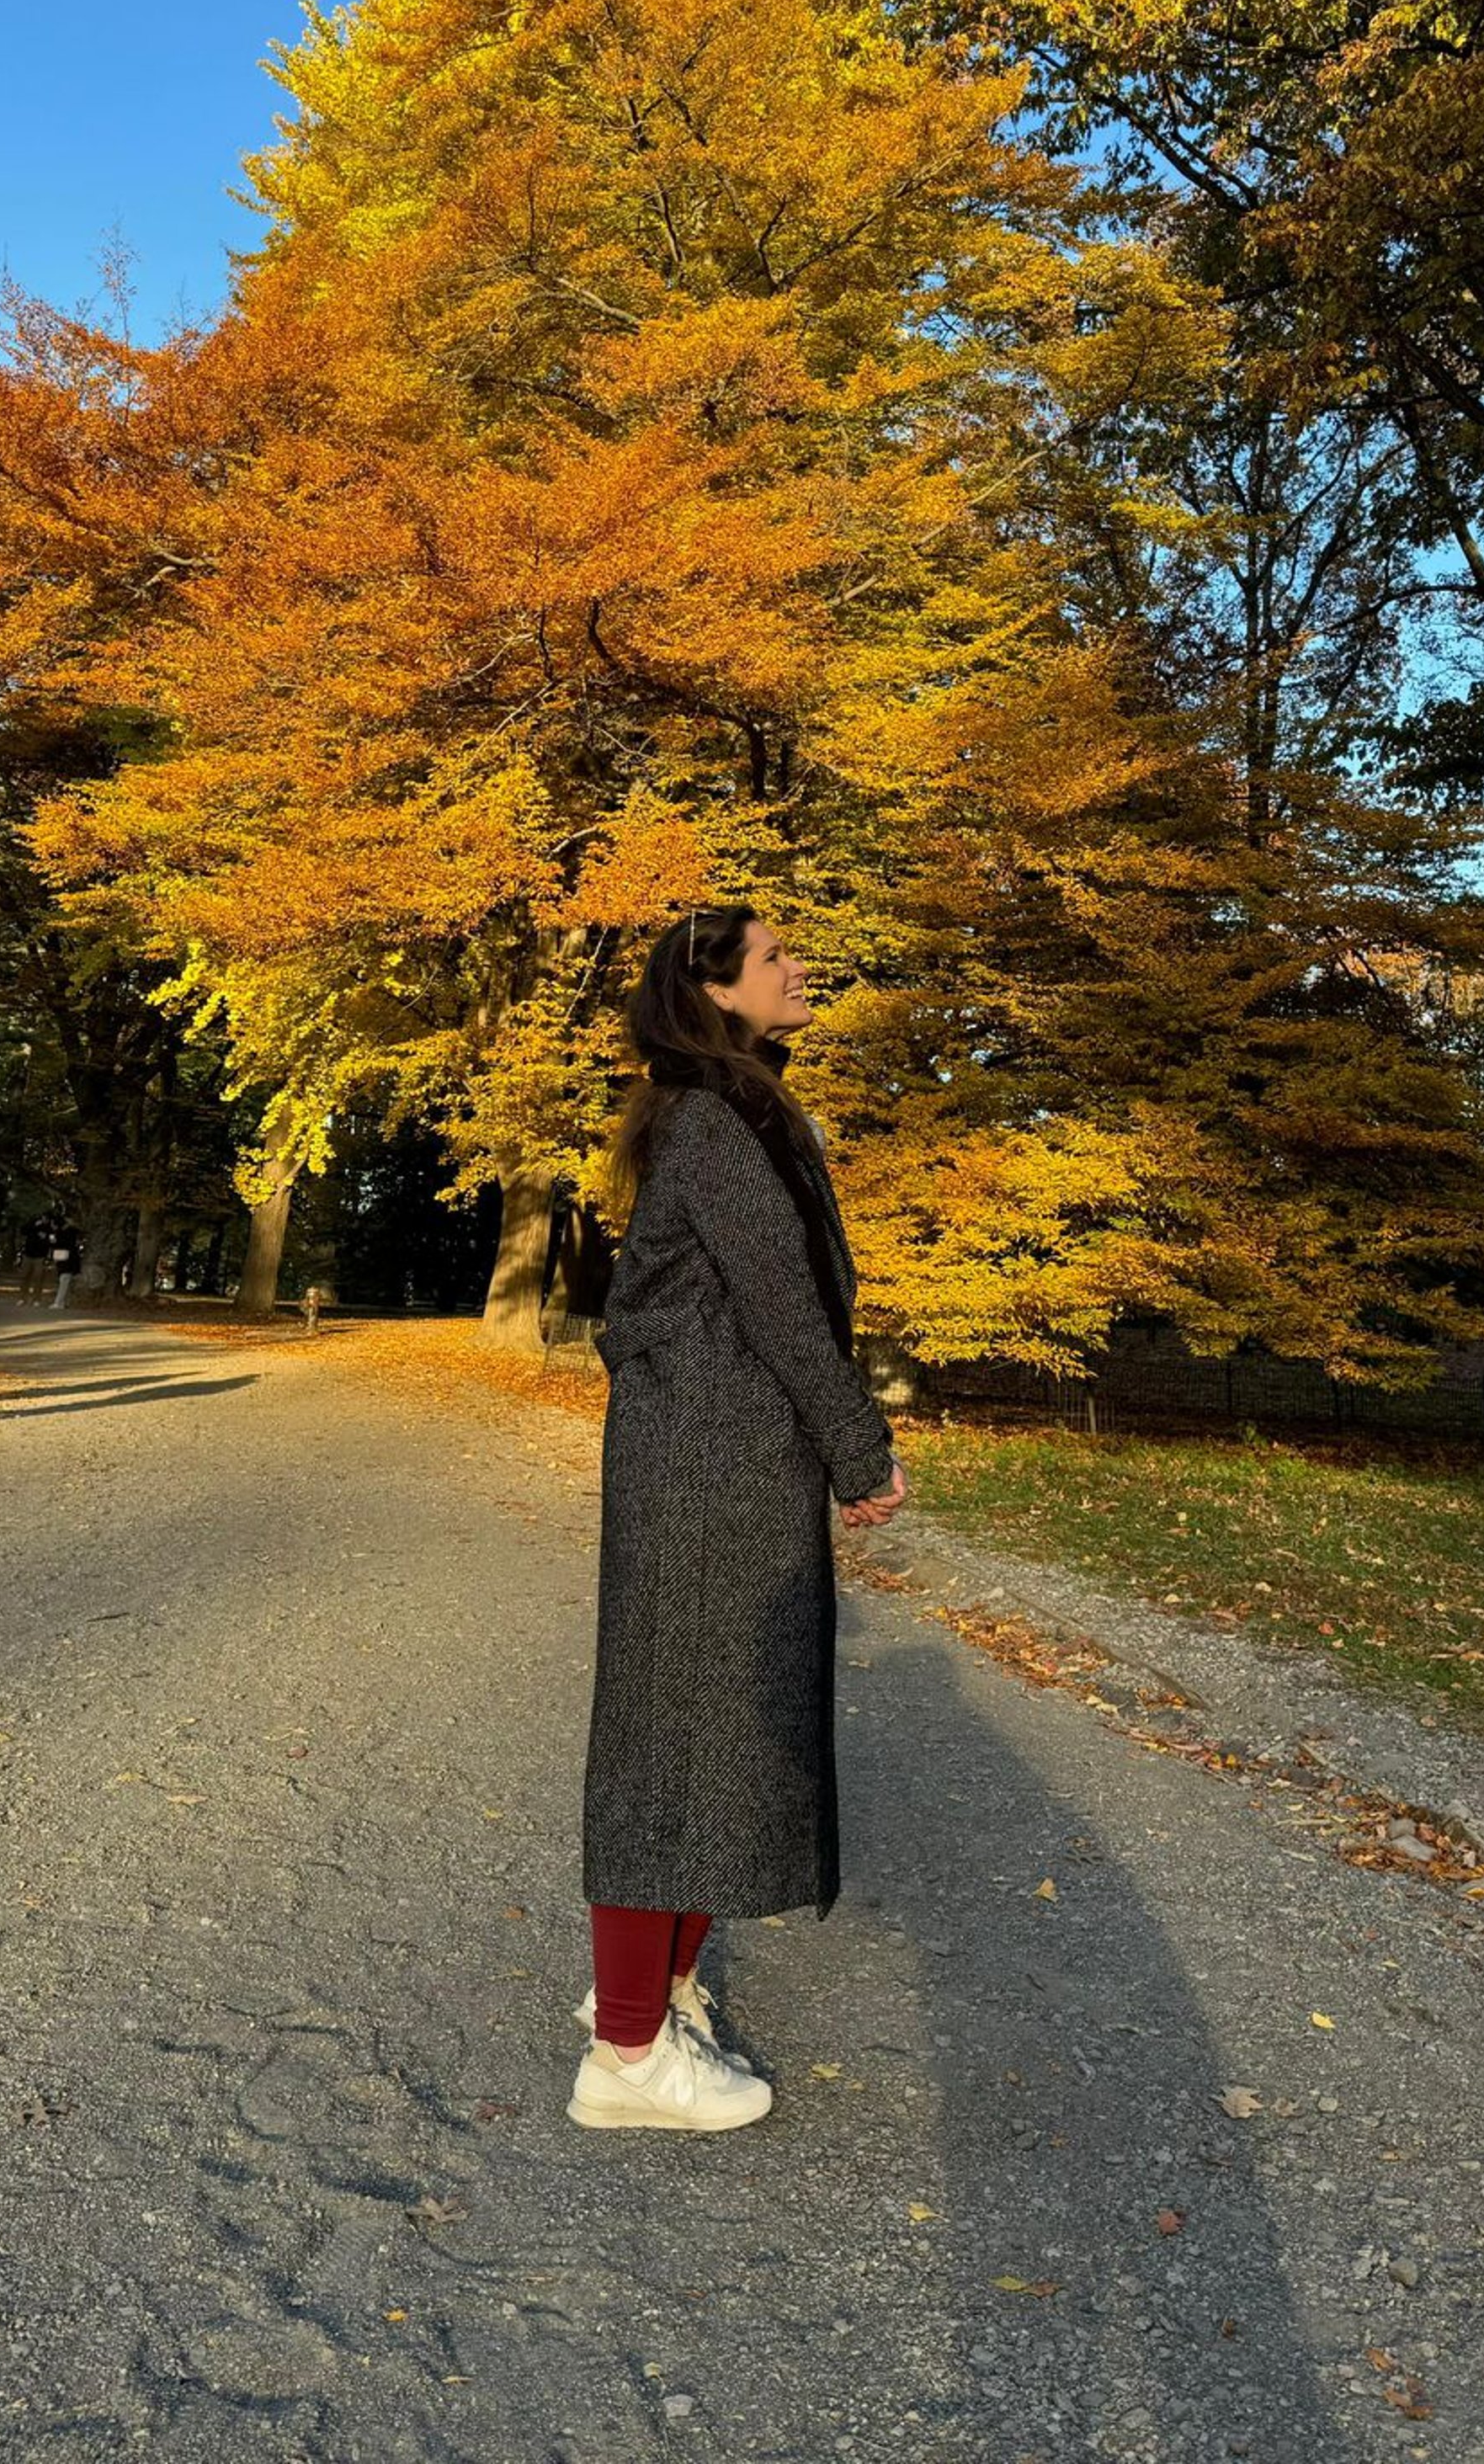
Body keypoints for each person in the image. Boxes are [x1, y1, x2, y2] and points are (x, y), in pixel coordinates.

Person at [570, 902, 907, 2134]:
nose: (798, 966)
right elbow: (781, 1305)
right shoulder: (714, 1124)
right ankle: (623, 2054)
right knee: (672, 1744)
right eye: (773, 957)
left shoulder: (735, 1110)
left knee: (711, 1740)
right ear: (714, 991)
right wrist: (858, 1448)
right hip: (704, 1466)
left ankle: (653, 2002)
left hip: (726, 1459)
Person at [18, 1213, 55, 1306]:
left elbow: (52, 1241)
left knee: (38, 1278)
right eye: (43, 1218)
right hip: (28, 1254)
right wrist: (33, 1225)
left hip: (40, 1257)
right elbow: (23, 1231)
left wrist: (47, 1256)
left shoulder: (49, 1229)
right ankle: (22, 1298)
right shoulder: (33, 1224)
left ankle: (36, 1299)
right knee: (24, 1277)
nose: (44, 1220)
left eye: (47, 1219)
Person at [47, 1222, 82, 1312]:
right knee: (66, 1282)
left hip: (66, 1262)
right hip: (68, 1262)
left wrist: (54, 1242)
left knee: (64, 1281)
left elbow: (56, 1244)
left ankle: (59, 1302)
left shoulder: (64, 1236)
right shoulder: (71, 1236)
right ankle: (65, 1302)